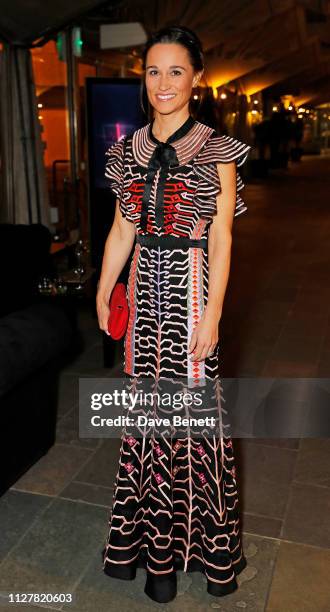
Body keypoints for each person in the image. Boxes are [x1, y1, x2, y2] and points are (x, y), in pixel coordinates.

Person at [97, 25, 252, 604]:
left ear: (197, 78)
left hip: (191, 291)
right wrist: (103, 286)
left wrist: (213, 313)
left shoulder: (219, 148)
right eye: (153, 71)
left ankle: (207, 554)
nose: (163, 83)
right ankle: (154, 559)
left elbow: (223, 236)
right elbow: (121, 228)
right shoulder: (126, 150)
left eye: (176, 71)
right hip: (143, 292)